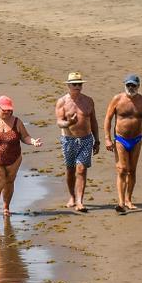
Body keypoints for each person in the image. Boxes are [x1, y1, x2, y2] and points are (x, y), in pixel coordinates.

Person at [0, 95, 43, 222]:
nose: (8, 112)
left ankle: (6, 207)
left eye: (9, 110)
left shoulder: (17, 122)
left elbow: (25, 137)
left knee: (9, 182)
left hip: (14, 158)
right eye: (5, 109)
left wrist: (33, 142)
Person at [104, 74, 142, 214]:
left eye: (133, 85)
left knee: (132, 170)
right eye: (128, 85)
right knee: (122, 169)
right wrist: (107, 138)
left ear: (138, 86)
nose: (131, 88)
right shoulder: (117, 99)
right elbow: (108, 119)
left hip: (136, 139)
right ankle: (121, 203)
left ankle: (128, 199)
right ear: (124, 85)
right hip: (120, 139)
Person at [55, 72, 99, 212]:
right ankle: (72, 196)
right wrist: (69, 122)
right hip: (68, 139)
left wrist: (97, 140)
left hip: (86, 139)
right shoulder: (62, 102)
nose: (77, 87)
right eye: (74, 84)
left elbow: (93, 121)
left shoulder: (88, 101)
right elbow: (59, 122)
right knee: (70, 169)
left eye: (79, 84)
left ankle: (80, 201)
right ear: (68, 85)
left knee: (82, 169)